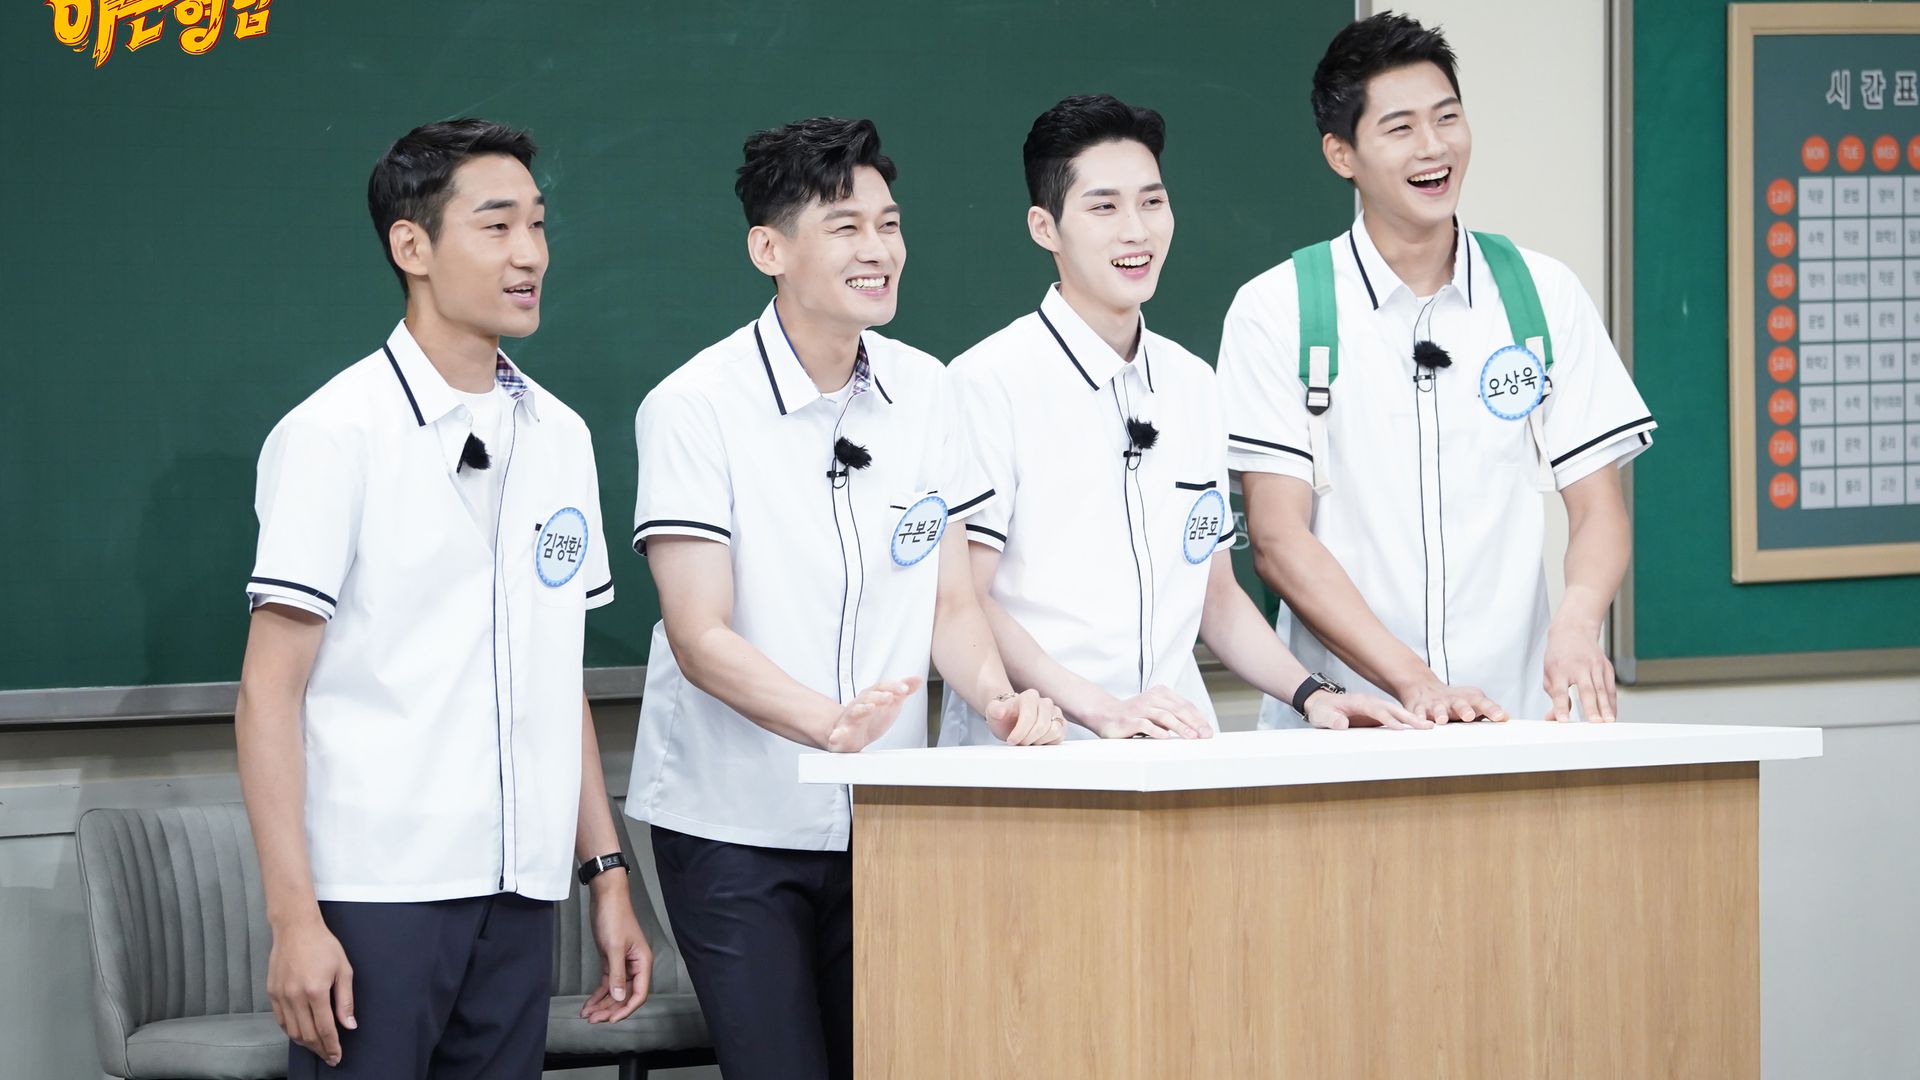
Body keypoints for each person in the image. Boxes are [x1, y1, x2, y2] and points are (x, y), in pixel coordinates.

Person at [624, 116, 1062, 1080]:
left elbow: (952, 603)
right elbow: (699, 634)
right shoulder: (695, 406)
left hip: (887, 816)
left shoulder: (929, 391)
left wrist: (998, 699)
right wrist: (828, 725)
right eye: (846, 227)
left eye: (889, 224)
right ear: (769, 250)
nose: (880, 250)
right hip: (735, 824)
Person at [236, 119, 649, 1078]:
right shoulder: (335, 434)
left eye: (537, 225)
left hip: (521, 889)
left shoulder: (563, 437)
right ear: (412, 247)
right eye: (497, 227)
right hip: (379, 890)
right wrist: (295, 919)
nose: (530, 254)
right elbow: (268, 693)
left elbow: (556, 677)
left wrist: (605, 872)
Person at [1218, 13, 1657, 728]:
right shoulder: (1278, 309)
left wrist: (1579, 622)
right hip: (1347, 726)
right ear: (1341, 153)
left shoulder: (1542, 295)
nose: (1434, 146)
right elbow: (1276, 539)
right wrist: (1416, 684)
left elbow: (1597, 506)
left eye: (1447, 117)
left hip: (1513, 720)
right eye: (1400, 128)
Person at [940, 93, 1419, 746]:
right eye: (1104, 207)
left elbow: (1214, 595)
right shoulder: (986, 382)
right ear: (1044, 228)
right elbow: (967, 599)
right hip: (1038, 757)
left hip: (1176, 751)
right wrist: (1099, 709)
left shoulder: (1193, 383)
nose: (1136, 230)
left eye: (1152, 201)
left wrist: (1315, 696)